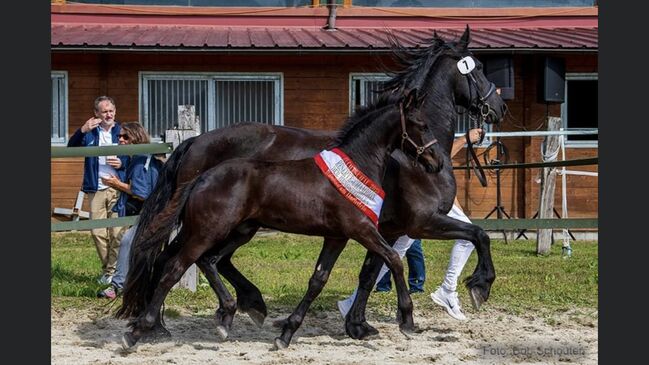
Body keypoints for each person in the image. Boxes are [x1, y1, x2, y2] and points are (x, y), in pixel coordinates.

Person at [337, 128, 484, 321]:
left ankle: (353, 300)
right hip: (423, 198)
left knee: (396, 251)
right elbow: (441, 160)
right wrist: (465, 139)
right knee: (468, 238)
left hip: (419, 195)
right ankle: (447, 290)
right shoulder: (430, 122)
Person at [97, 122, 163, 299]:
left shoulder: (140, 160)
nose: (120, 139)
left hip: (151, 210)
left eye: (125, 137)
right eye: (119, 136)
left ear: (136, 137)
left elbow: (142, 194)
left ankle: (117, 286)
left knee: (126, 241)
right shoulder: (140, 157)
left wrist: (116, 184)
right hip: (150, 209)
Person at [67, 96, 127, 285]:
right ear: (96, 114)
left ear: (115, 111)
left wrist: (121, 162)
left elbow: (135, 155)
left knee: (118, 232)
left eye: (111, 111)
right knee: (97, 232)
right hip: (96, 188)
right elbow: (71, 148)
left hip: (118, 186)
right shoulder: (90, 133)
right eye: (104, 111)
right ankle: (110, 270)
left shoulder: (123, 131)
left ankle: (111, 273)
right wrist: (82, 130)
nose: (108, 114)